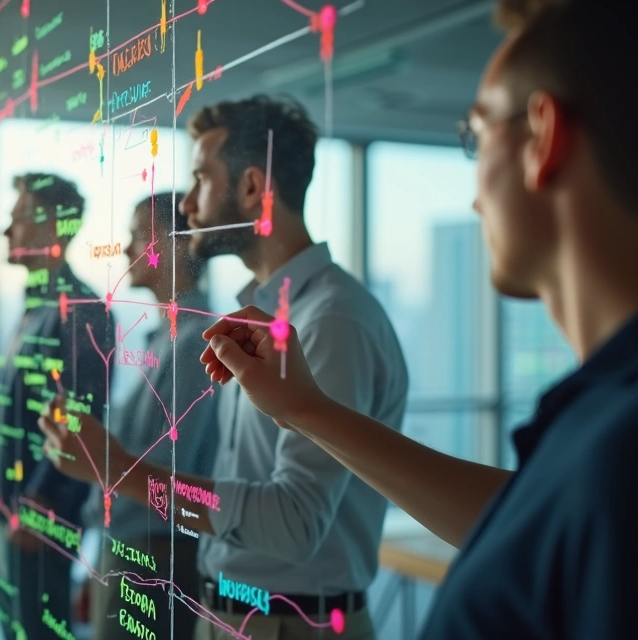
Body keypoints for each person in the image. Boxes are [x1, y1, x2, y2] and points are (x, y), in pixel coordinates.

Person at [195, 2, 638, 638]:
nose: (471, 194)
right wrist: (304, 409)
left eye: (475, 135)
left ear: (544, 137)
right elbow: (520, 517)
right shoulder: (607, 422)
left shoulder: (628, 442)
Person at [40, 96, 408, 640]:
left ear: (253, 188)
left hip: (289, 624)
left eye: (201, 179)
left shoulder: (329, 322)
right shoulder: (267, 316)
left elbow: (294, 524)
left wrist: (118, 468)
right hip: (234, 614)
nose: (187, 204)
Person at [0, 173, 112, 640]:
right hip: (9, 514)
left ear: (54, 229)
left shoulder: (81, 309)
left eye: (20, 219)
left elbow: (79, 418)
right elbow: (31, 416)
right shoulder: (37, 307)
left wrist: (42, 504)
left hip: (36, 519)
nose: (7, 232)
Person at [77, 192, 218, 640]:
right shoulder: (166, 340)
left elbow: (168, 481)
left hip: (154, 558)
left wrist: (94, 453)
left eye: (140, 235)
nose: (126, 248)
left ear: (176, 245)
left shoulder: (193, 345)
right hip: (132, 552)